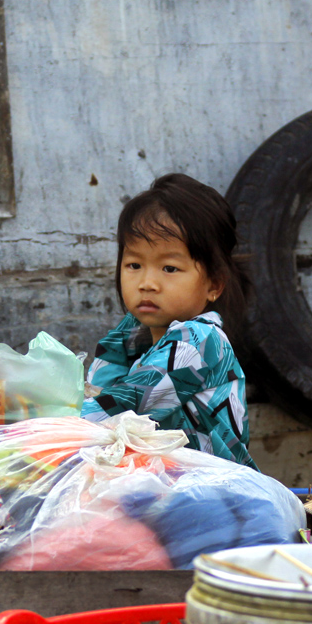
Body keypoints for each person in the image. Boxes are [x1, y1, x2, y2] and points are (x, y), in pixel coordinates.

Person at [81, 173, 257, 468]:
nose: (147, 283)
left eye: (170, 268)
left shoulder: (198, 342)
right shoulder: (132, 333)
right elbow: (96, 390)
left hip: (213, 498)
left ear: (214, 284)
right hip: (161, 488)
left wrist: (31, 423)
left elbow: (112, 412)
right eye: (134, 265)